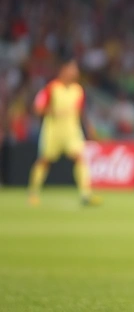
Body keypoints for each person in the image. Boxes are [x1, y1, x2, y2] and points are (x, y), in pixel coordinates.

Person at [28, 58, 102, 207]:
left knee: (80, 158)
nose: (75, 72)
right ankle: (33, 193)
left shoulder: (78, 90)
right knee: (45, 161)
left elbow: (81, 112)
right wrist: (52, 111)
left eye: (76, 69)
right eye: (72, 68)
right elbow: (38, 108)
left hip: (72, 132)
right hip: (53, 131)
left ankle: (86, 195)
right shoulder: (51, 88)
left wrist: (88, 128)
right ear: (63, 69)